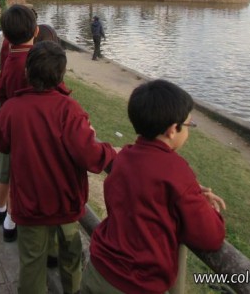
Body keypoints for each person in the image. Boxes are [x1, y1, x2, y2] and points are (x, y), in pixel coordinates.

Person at [0, 41, 116, 294]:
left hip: (29, 203)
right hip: (65, 202)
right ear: (61, 75)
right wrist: (111, 152)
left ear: (27, 72)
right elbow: (88, 154)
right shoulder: (69, 109)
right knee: (71, 259)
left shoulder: (14, 108)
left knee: (31, 262)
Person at [82, 79, 226, 294]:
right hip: (135, 285)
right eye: (189, 125)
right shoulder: (176, 171)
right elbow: (211, 236)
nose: (188, 131)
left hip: (98, 270)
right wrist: (207, 206)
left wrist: (192, 193)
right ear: (172, 130)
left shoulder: (124, 157)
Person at [0, 4, 39, 243]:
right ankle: (10, 219)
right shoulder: (30, 62)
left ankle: (0, 209)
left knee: (5, 170)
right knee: (18, 174)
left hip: (7, 117)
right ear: (36, 31)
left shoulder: (11, 52)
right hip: (22, 125)